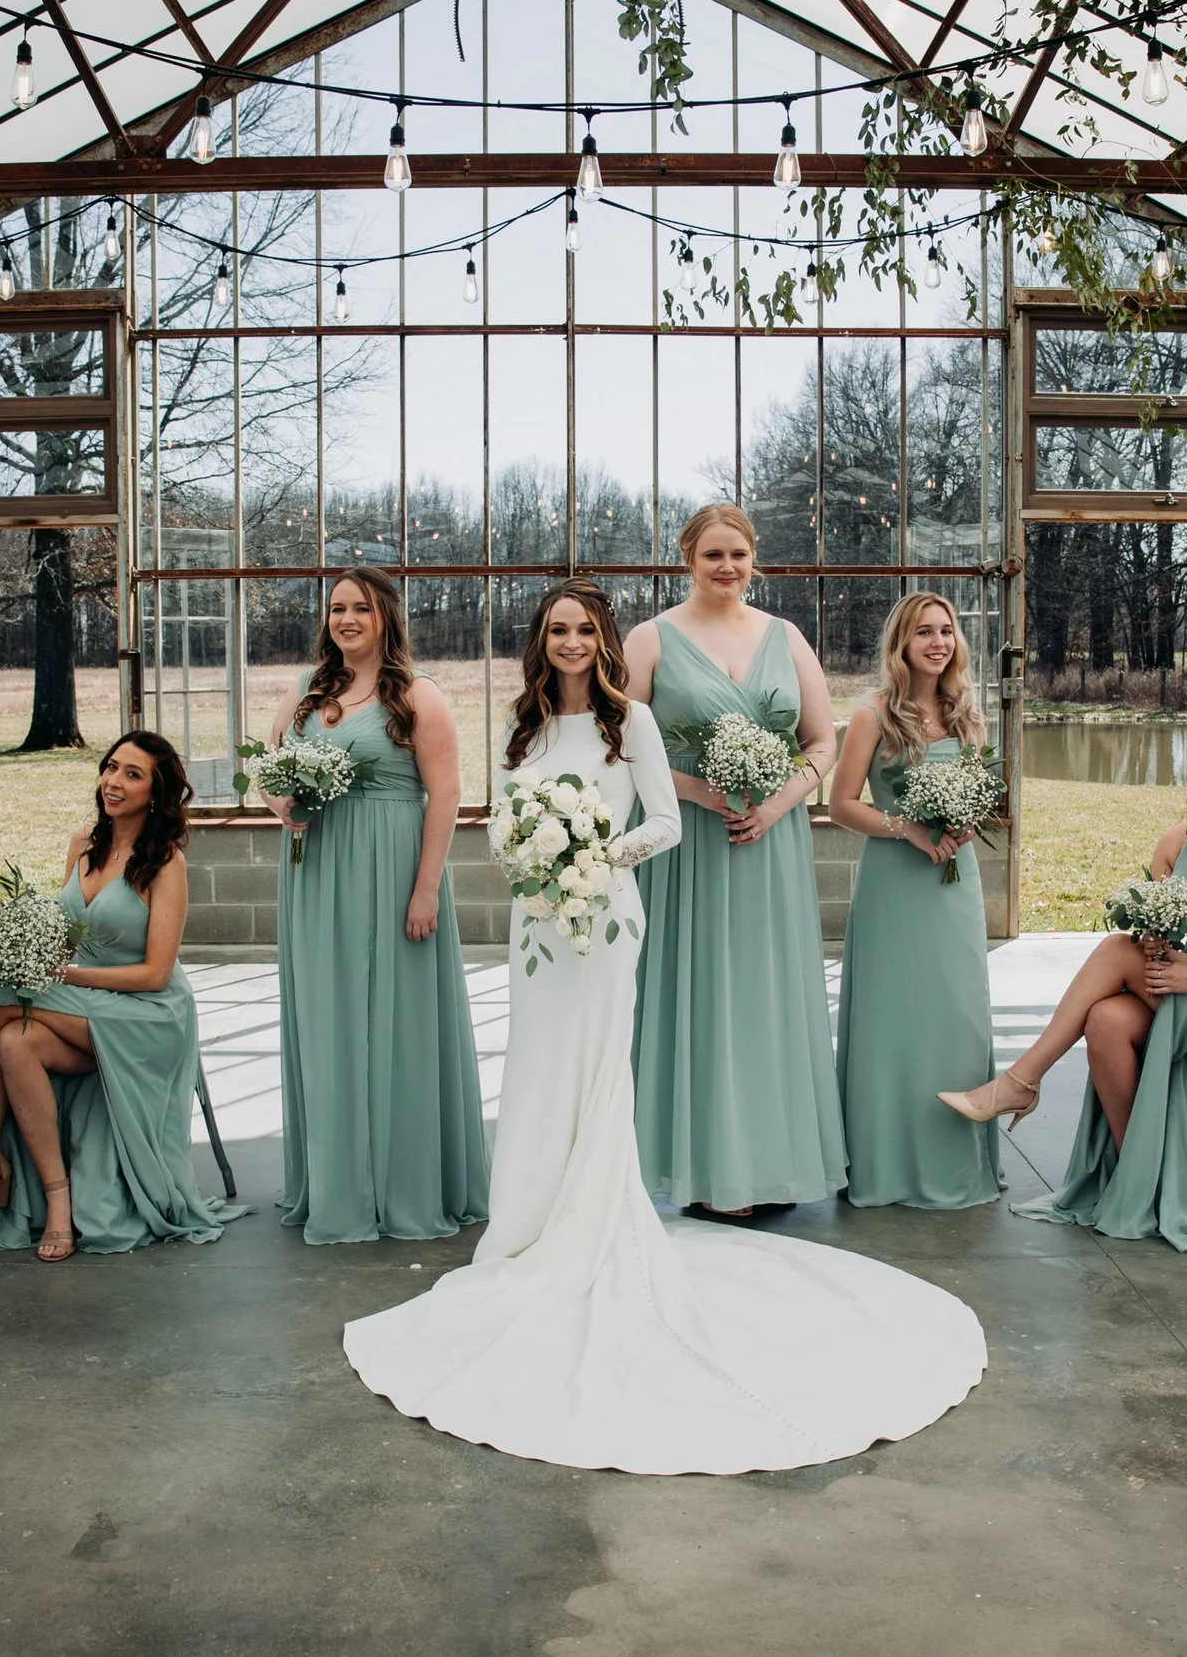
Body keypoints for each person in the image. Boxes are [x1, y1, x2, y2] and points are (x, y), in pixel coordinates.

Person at [344, 582, 986, 1474]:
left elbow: (664, 825)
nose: (572, 641)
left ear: (604, 640)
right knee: (539, 1067)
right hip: (540, 924)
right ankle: (529, 1220)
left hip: (606, 915)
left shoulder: (632, 722)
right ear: (541, 641)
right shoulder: (523, 726)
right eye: (557, 629)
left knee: (603, 1064)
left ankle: (598, 1216)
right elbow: (498, 827)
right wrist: (537, 857)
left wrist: (596, 856)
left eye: (585, 629)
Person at [990, 716, 1187, 1252]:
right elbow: (1164, 930)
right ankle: (1143, 1178)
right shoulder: (1174, 841)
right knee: (1106, 1020)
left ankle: (1022, 1079)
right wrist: (1158, 946)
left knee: (1115, 951)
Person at [0, 732, 248, 1259]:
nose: (114, 782)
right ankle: (56, 1200)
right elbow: (65, 935)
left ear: (156, 792)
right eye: (111, 767)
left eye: (133, 774)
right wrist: (28, 954)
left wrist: (68, 978)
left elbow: (155, 974)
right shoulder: (82, 842)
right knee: (13, 1038)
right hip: (87, 1004)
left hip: (148, 1014)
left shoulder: (165, 863)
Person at [626, 503, 844, 1217]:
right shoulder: (650, 639)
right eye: (712, 554)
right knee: (699, 997)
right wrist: (698, 793)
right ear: (688, 558)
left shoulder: (786, 636)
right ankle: (706, 1169)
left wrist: (775, 806)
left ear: (754, 560)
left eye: (738, 555)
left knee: (765, 998)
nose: (727, 567)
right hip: (687, 846)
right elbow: (620, 744)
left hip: (770, 845)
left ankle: (771, 1165)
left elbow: (821, 743)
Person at [267, 568, 488, 1245]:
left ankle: (405, 1183)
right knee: (328, 1017)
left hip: (392, 867)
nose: (346, 619)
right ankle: (337, 1183)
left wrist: (426, 888)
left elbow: (445, 794)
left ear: (386, 616)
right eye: (337, 608)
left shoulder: (418, 695)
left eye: (361, 607)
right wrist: (284, 806)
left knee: (399, 1020)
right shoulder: (306, 692)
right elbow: (267, 767)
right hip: (315, 870)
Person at [828, 593, 1003, 1210]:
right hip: (894, 882)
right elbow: (840, 805)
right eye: (924, 632)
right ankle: (887, 1164)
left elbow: (980, 789)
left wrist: (966, 820)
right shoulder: (873, 714)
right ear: (901, 643)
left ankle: (953, 1159)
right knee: (894, 1017)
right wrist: (909, 829)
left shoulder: (968, 714)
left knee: (958, 1010)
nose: (938, 642)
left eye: (946, 631)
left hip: (955, 880)